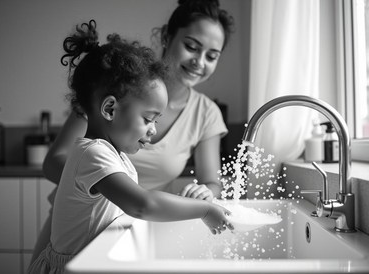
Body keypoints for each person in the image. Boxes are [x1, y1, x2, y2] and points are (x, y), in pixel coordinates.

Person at [33, 0, 235, 264]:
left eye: (212, 55)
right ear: (166, 36)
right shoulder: (112, 88)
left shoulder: (206, 112)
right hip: (85, 231)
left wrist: (204, 194)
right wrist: (110, 187)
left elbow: (210, 182)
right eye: (192, 47)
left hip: (122, 226)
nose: (199, 61)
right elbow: (141, 202)